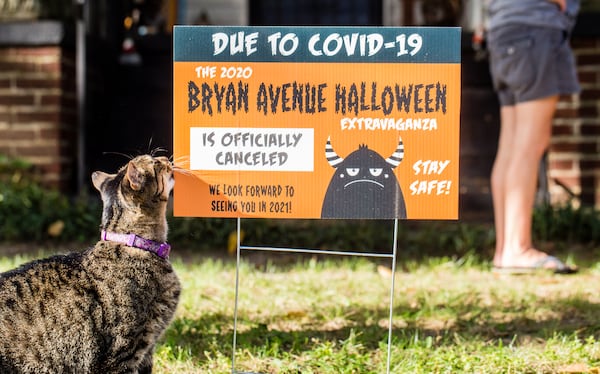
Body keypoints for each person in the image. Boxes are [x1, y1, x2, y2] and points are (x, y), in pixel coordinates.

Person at [486, 0, 580, 273]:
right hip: (534, 28)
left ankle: (506, 249)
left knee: (511, 145)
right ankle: (519, 248)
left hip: (505, 29)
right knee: (530, 144)